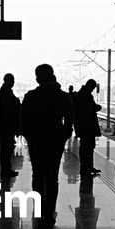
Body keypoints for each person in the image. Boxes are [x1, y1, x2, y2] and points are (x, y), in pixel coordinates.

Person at [21, 64, 74, 220]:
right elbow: (69, 118)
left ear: (37, 78)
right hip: (55, 140)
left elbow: (24, 119)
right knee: (52, 176)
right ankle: (50, 209)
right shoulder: (63, 96)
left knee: (37, 175)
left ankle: (40, 207)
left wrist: (29, 136)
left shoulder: (30, 96)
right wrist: (65, 134)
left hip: (36, 140)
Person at [72, 79, 102, 175]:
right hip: (87, 126)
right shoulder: (86, 95)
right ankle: (87, 167)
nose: (93, 89)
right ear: (90, 86)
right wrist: (98, 107)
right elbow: (89, 109)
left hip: (83, 126)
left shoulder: (81, 94)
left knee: (86, 147)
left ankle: (87, 167)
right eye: (93, 87)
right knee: (88, 148)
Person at [0, 73, 22, 179]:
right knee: (7, 148)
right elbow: (12, 105)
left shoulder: (4, 90)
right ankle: (6, 170)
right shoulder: (6, 91)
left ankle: (6, 170)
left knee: (6, 148)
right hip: (7, 124)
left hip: (4, 124)